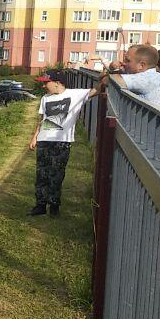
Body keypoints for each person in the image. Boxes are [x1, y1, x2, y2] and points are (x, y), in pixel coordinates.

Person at [29, 74, 98, 216]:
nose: (43, 86)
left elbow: (97, 89)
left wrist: (108, 71)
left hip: (61, 142)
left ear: (57, 83)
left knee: (56, 174)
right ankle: (40, 205)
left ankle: (54, 206)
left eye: (46, 83)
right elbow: (42, 119)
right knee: (42, 174)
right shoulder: (45, 98)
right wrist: (35, 137)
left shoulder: (75, 95)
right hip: (44, 140)